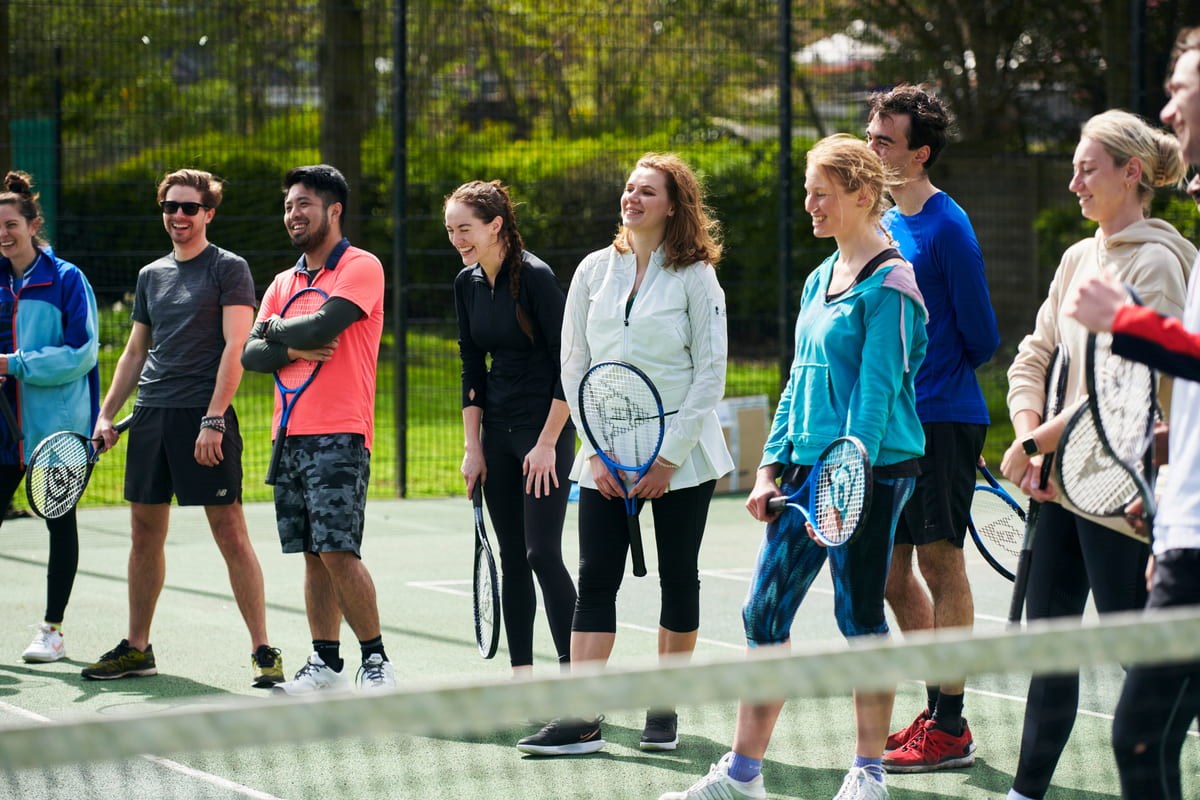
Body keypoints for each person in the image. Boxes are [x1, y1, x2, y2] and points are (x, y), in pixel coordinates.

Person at [661, 134, 928, 800]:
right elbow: (800, 382)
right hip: (808, 470)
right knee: (763, 614)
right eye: (807, 191)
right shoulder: (819, 277)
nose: (808, 204)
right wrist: (769, 467)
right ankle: (743, 775)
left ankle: (869, 775)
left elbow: (877, 390)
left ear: (863, 196)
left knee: (858, 613)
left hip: (873, 469)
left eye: (821, 193)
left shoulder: (892, 283)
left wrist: (850, 472)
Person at [999, 110, 1195, 800]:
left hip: (1125, 501)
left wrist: (1037, 444)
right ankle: (1026, 792)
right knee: (1049, 650)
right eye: (1074, 166)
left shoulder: (1163, 263)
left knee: (1149, 672)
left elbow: (1137, 387)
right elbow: (1034, 354)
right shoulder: (1078, 257)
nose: (1074, 180)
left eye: (1088, 167)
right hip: (1060, 494)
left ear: (1131, 173)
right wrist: (1032, 437)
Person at [517, 153, 732, 755]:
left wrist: (668, 459)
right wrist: (594, 454)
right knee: (594, 578)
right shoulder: (591, 271)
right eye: (629, 188)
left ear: (673, 205)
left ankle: (662, 711)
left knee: (679, 578)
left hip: (681, 458)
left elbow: (710, 375)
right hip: (606, 455)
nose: (632, 198)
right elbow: (574, 366)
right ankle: (580, 718)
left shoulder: (697, 277)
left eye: (648, 192)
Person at [1063, 28, 1200, 800]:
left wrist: (1127, 322)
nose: (1168, 107)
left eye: (1181, 89)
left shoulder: (1160, 259)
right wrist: (1172, 478)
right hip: (1182, 527)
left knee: (1140, 733)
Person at [82, 168, 283, 688]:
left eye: (190, 208)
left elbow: (235, 349)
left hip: (204, 417)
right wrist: (106, 413)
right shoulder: (152, 275)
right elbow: (135, 352)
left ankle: (263, 649)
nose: (178, 216)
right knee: (144, 533)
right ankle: (137, 648)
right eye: (170, 206)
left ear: (209, 213)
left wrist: (214, 418)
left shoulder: (229, 269)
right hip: (151, 415)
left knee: (230, 533)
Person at [865, 84, 1000, 772]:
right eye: (871, 135)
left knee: (939, 561)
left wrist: (932, 383)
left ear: (919, 154)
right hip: (895, 425)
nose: (872, 147)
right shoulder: (886, 225)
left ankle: (950, 724)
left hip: (944, 417)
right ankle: (939, 708)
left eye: (884, 140)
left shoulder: (948, 228)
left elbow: (983, 336)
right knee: (891, 574)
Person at [242, 164, 394, 694]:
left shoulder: (362, 266)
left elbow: (324, 325)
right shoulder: (284, 281)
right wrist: (291, 343)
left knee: (338, 551)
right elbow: (249, 353)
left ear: (334, 210)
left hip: (341, 433)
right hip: (289, 435)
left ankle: (376, 661)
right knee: (310, 553)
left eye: (303, 204)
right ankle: (326, 664)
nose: (293, 214)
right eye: (288, 206)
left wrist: (276, 331)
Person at [447, 180, 577, 675]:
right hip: (495, 436)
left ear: (495, 225)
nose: (458, 240)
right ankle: (522, 679)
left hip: (543, 434)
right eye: (451, 231)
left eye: (466, 229)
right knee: (511, 558)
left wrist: (547, 444)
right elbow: (470, 366)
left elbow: (570, 362)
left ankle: (579, 683)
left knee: (541, 552)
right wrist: (471, 447)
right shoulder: (467, 283)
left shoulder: (537, 278)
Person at [0, 170, 100, 663]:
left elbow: (82, 352)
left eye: (11, 223)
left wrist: (14, 365)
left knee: (59, 524)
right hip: (3, 429)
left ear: (32, 224)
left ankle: (52, 631)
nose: (3, 233)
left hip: (54, 434)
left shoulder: (66, 279)